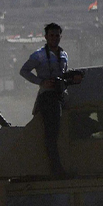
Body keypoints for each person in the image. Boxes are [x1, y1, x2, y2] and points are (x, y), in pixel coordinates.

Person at [19, 23, 82, 176]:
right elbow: (24, 71)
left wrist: (72, 79)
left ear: (61, 36)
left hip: (61, 95)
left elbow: (63, 75)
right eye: (51, 35)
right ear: (46, 37)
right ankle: (56, 168)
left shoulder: (63, 55)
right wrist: (40, 82)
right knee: (52, 133)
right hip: (48, 96)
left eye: (57, 35)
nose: (54, 38)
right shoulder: (38, 55)